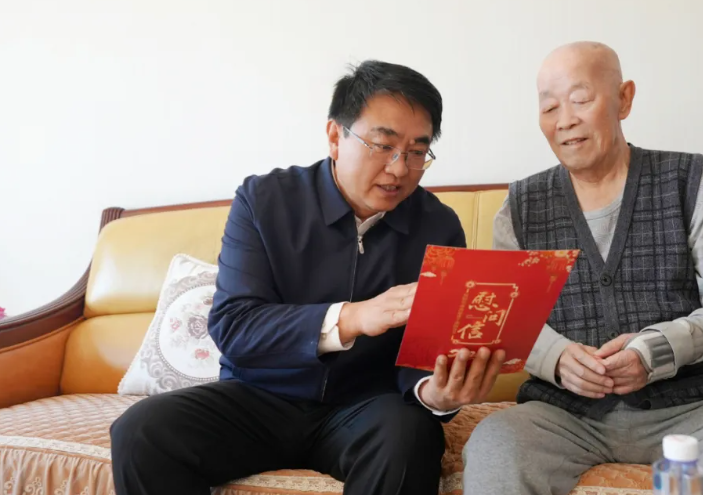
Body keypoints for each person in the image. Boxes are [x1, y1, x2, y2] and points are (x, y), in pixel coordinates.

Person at [109, 60, 506, 495]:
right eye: (383, 145)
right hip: (258, 399)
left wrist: (435, 394)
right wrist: (352, 317)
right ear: (335, 136)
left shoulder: (438, 226)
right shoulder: (264, 200)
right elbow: (235, 325)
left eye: (416, 152)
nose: (399, 168)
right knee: (142, 431)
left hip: (366, 408)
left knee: (410, 435)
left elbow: (427, 353)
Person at [462, 42, 703, 495]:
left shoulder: (686, 181)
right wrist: (557, 358)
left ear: (623, 99)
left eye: (580, 99)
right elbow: (507, 320)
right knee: (494, 445)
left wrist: (656, 349)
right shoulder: (521, 206)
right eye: (549, 107)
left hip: (692, 411)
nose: (564, 120)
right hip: (563, 415)